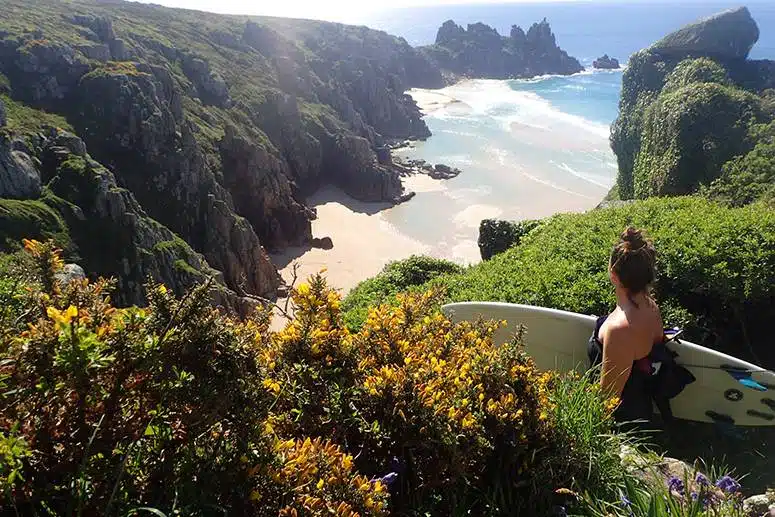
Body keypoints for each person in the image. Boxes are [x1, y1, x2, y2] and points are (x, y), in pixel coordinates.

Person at [587, 227, 668, 424]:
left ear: (614, 275)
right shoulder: (650, 306)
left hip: (622, 424)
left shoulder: (619, 330)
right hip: (641, 408)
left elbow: (607, 398)